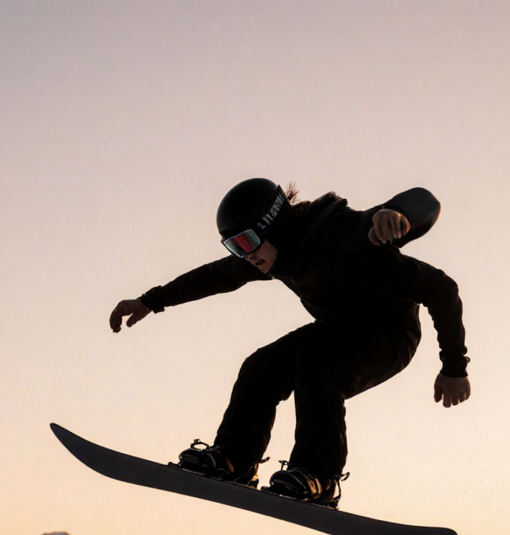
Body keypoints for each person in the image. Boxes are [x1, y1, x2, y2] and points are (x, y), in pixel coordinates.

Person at [109, 178, 469, 507]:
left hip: (388, 336)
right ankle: (235, 458)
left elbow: (436, 259)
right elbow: (216, 276)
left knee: (317, 362)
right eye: (234, 246)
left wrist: (453, 367)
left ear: (275, 227)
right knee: (261, 367)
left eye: (247, 241)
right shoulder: (269, 256)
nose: (245, 254)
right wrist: (149, 301)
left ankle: (319, 476)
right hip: (336, 330)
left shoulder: (349, 238)